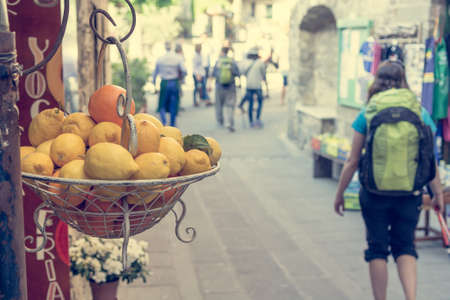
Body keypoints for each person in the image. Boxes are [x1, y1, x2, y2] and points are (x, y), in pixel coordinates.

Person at [334, 61, 443, 300]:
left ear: (377, 82)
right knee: (405, 246)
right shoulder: (420, 112)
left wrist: (340, 193)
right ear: (403, 82)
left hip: (374, 194)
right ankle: (411, 298)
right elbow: (429, 160)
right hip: (409, 194)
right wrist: (438, 195)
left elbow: (352, 161)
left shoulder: (368, 112)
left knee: (377, 249)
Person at [152, 41, 186, 126]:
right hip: (174, 82)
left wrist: (154, 83)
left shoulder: (160, 58)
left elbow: (155, 73)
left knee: (162, 104)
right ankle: (172, 124)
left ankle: (163, 123)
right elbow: (184, 70)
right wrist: (181, 78)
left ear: (165, 47)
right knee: (173, 104)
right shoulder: (177, 58)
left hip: (164, 82)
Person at [212, 47, 240, 132]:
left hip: (219, 86)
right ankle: (230, 123)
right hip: (231, 86)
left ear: (221, 52)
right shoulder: (232, 62)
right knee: (230, 105)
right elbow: (237, 73)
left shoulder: (218, 62)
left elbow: (213, 74)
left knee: (219, 105)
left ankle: (220, 120)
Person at [239, 47, 267, 128]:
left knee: (250, 104)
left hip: (249, 85)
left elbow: (243, 72)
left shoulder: (247, 62)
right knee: (260, 102)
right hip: (257, 85)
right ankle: (257, 118)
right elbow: (263, 74)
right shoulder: (260, 63)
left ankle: (251, 121)